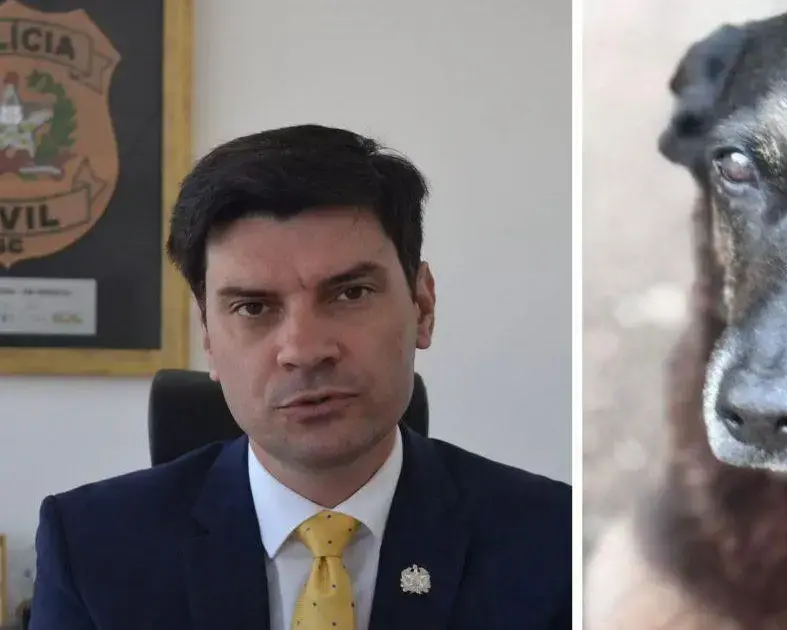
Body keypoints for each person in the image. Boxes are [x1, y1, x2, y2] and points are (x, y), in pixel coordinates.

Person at [29, 124, 572, 629]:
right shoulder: (90, 548)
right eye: (253, 307)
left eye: (351, 293)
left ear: (422, 307)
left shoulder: (557, 543)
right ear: (209, 336)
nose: (305, 351)